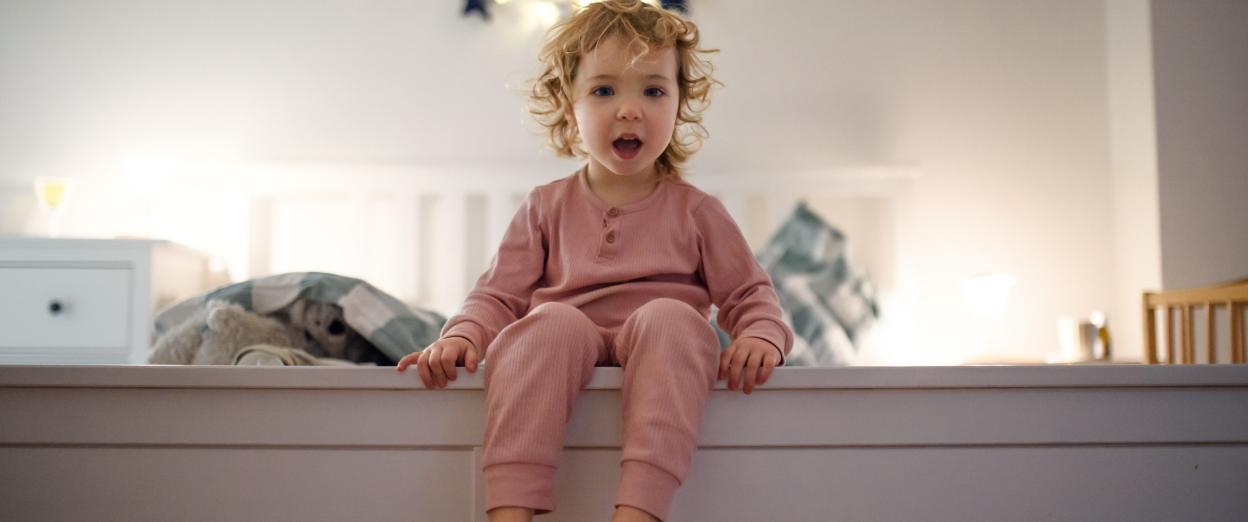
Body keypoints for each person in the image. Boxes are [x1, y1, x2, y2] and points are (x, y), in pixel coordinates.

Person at [397, 1, 792, 520]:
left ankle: (639, 510)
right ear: (569, 104)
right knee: (546, 324)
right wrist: (463, 336)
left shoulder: (697, 211)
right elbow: (498, 295)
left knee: (672, 316)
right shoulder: (545, 206)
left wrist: (761, 335)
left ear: (679, 102)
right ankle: (510, 509)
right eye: (604, 90)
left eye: (653, 90)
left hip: (660, 344)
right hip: (564, 342)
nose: (629, 109)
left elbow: (749, 294)